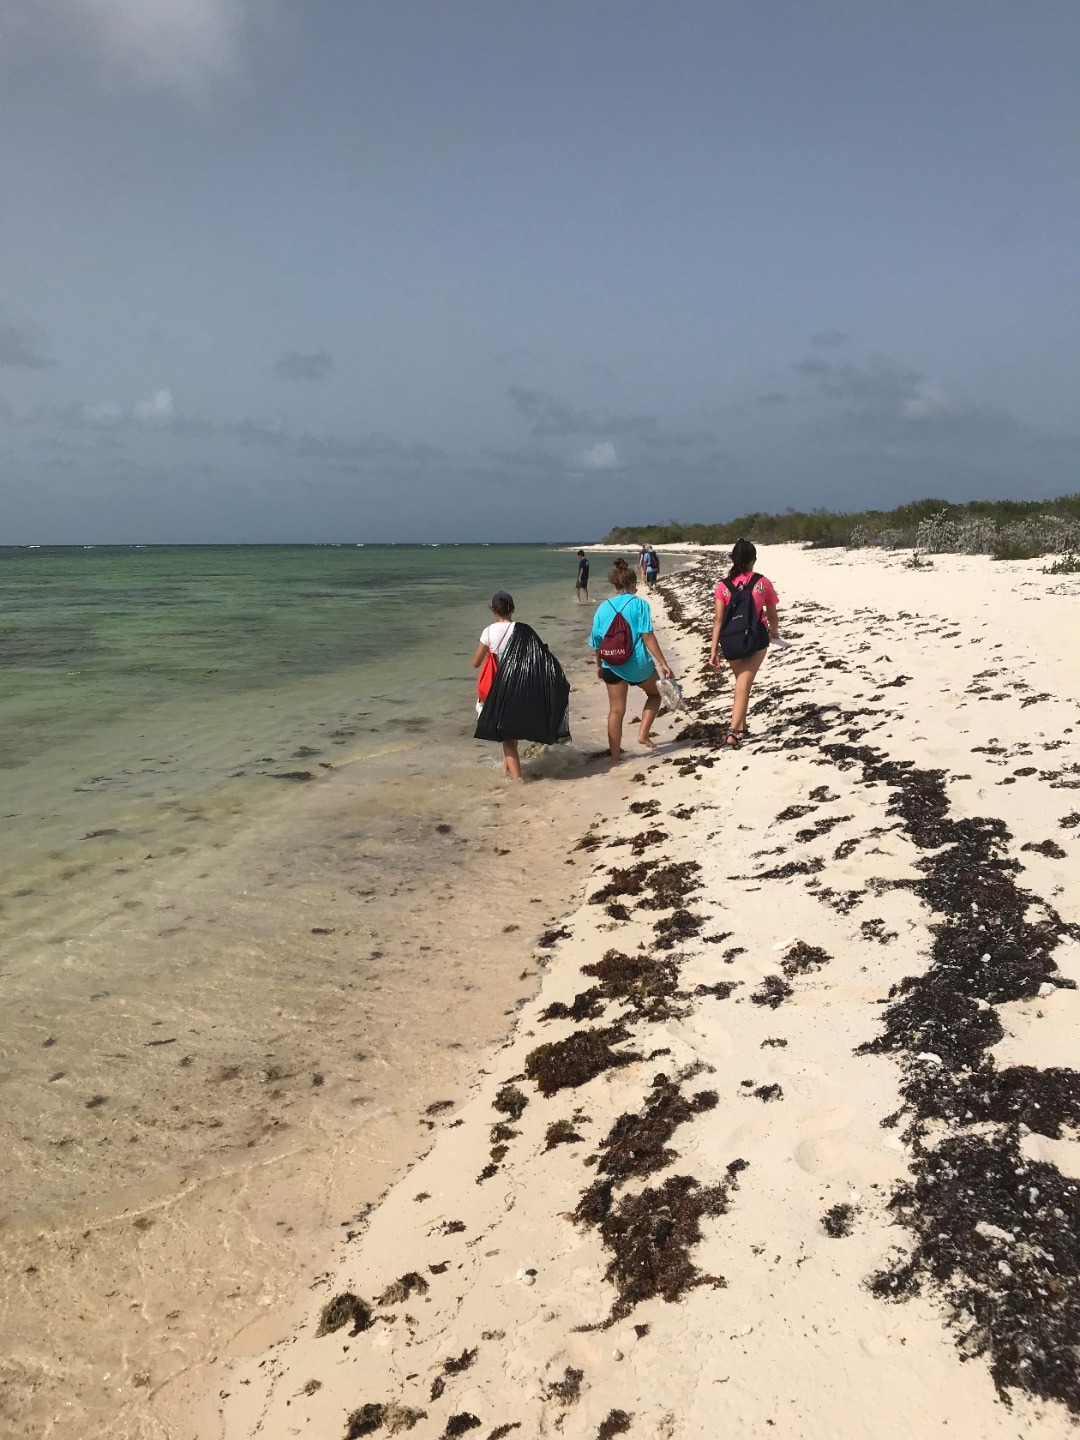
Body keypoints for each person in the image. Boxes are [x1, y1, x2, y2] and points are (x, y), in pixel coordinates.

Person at [590, 558, 674, 762]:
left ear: (615, 584)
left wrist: (599, 666)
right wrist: (663, 663)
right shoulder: (640, 604)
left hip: (612, 664)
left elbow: (597, 643)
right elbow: (647, 636)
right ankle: (643, 734)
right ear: (633, 583)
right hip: (637, 664)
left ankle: (615, 759)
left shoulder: (603, 607)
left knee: (616, 711)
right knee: (655, 694)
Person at [708, 538, 781, 748]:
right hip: (756, 639)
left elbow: (718, 619)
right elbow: (772, 614)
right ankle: (733, 731)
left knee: (741, 681)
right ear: (752, 560)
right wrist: (774, 632)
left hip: (730, 641)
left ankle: (742, 727)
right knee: (744, 684)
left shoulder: (723, 586)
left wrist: (713, 650)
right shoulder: (762, 582)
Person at [472, 590, 522, 779]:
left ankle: (518, 781)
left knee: (507, 738)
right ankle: (506, 771)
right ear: (513, 609)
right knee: (511, 734)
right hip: (518, 687)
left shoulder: (488, 632)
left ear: (493, 611)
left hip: (497, 690)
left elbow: (476, 663)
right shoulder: (521, 630)